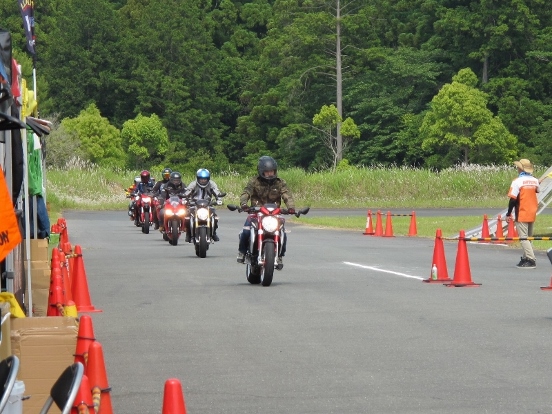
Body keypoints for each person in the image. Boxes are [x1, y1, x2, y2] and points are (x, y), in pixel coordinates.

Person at [237, 156, 295, 269]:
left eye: (272, 171)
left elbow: (287, 195)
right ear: (261, 171)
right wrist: (244, 204)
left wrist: (291, 208)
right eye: (267, 172)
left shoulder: (280, 182)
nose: (270, 174)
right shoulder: (254, 181)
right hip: (256, 212)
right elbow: (246, 193)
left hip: (275, 213)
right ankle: (242, 252)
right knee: (246, 231)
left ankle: (279, 255)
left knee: (283, 233)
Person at [506, 158, 540, 269]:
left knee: (523, 238)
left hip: (522, 212)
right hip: (532, 211)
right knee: (529, 237)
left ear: (520, 168)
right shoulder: (535, 180)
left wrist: (508, 213)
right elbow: (537, 190)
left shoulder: (517, 181)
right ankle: (526, 258)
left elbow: (513, 199)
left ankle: (531, 259)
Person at [182, 168, 224, 242]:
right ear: (198, 178)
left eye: (205, 179)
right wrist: (184, 199)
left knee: (214, 217)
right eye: (201, 179)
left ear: (208, 178)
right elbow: (187, 192)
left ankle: (213, 233)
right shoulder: (193, 184)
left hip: (208, 204)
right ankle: (188, 234)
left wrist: (219, 199)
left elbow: (217, 192)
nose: (203, 180)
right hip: (194, 204)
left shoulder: (212, 184)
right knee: (187, 217)